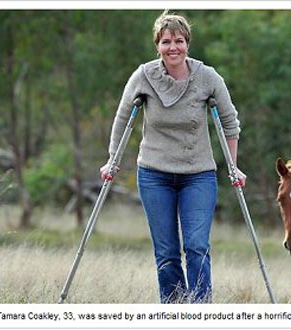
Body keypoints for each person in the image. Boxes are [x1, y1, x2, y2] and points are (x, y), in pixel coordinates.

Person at [100, 10, 246, 303]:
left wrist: (234, 166)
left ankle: (202, 311)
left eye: (179, 40)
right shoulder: (143, 75)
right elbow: (122, 117)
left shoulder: (208, 77)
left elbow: (230, 123)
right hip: (154, 174)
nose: (173, 47)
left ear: (187, 43)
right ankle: (174, 310)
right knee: (166, 251)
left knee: (196, 246)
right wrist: (112, 159)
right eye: (166, 41)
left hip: (199, 174)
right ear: (157, 45)